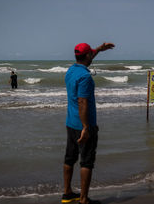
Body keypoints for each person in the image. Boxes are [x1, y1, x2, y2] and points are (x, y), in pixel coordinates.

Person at [63, 42, 114, 204]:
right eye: (91, 54)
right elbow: (82, 102)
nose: (92, 55)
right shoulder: (85, 76)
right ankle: (84, 200)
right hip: (84, 126)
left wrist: (99, 49)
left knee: (69, 158)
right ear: (87, 56)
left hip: (70, 123)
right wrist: (86, 127)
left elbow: (88, 57)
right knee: (86, 161)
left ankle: (67, 193)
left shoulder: (71, 71)